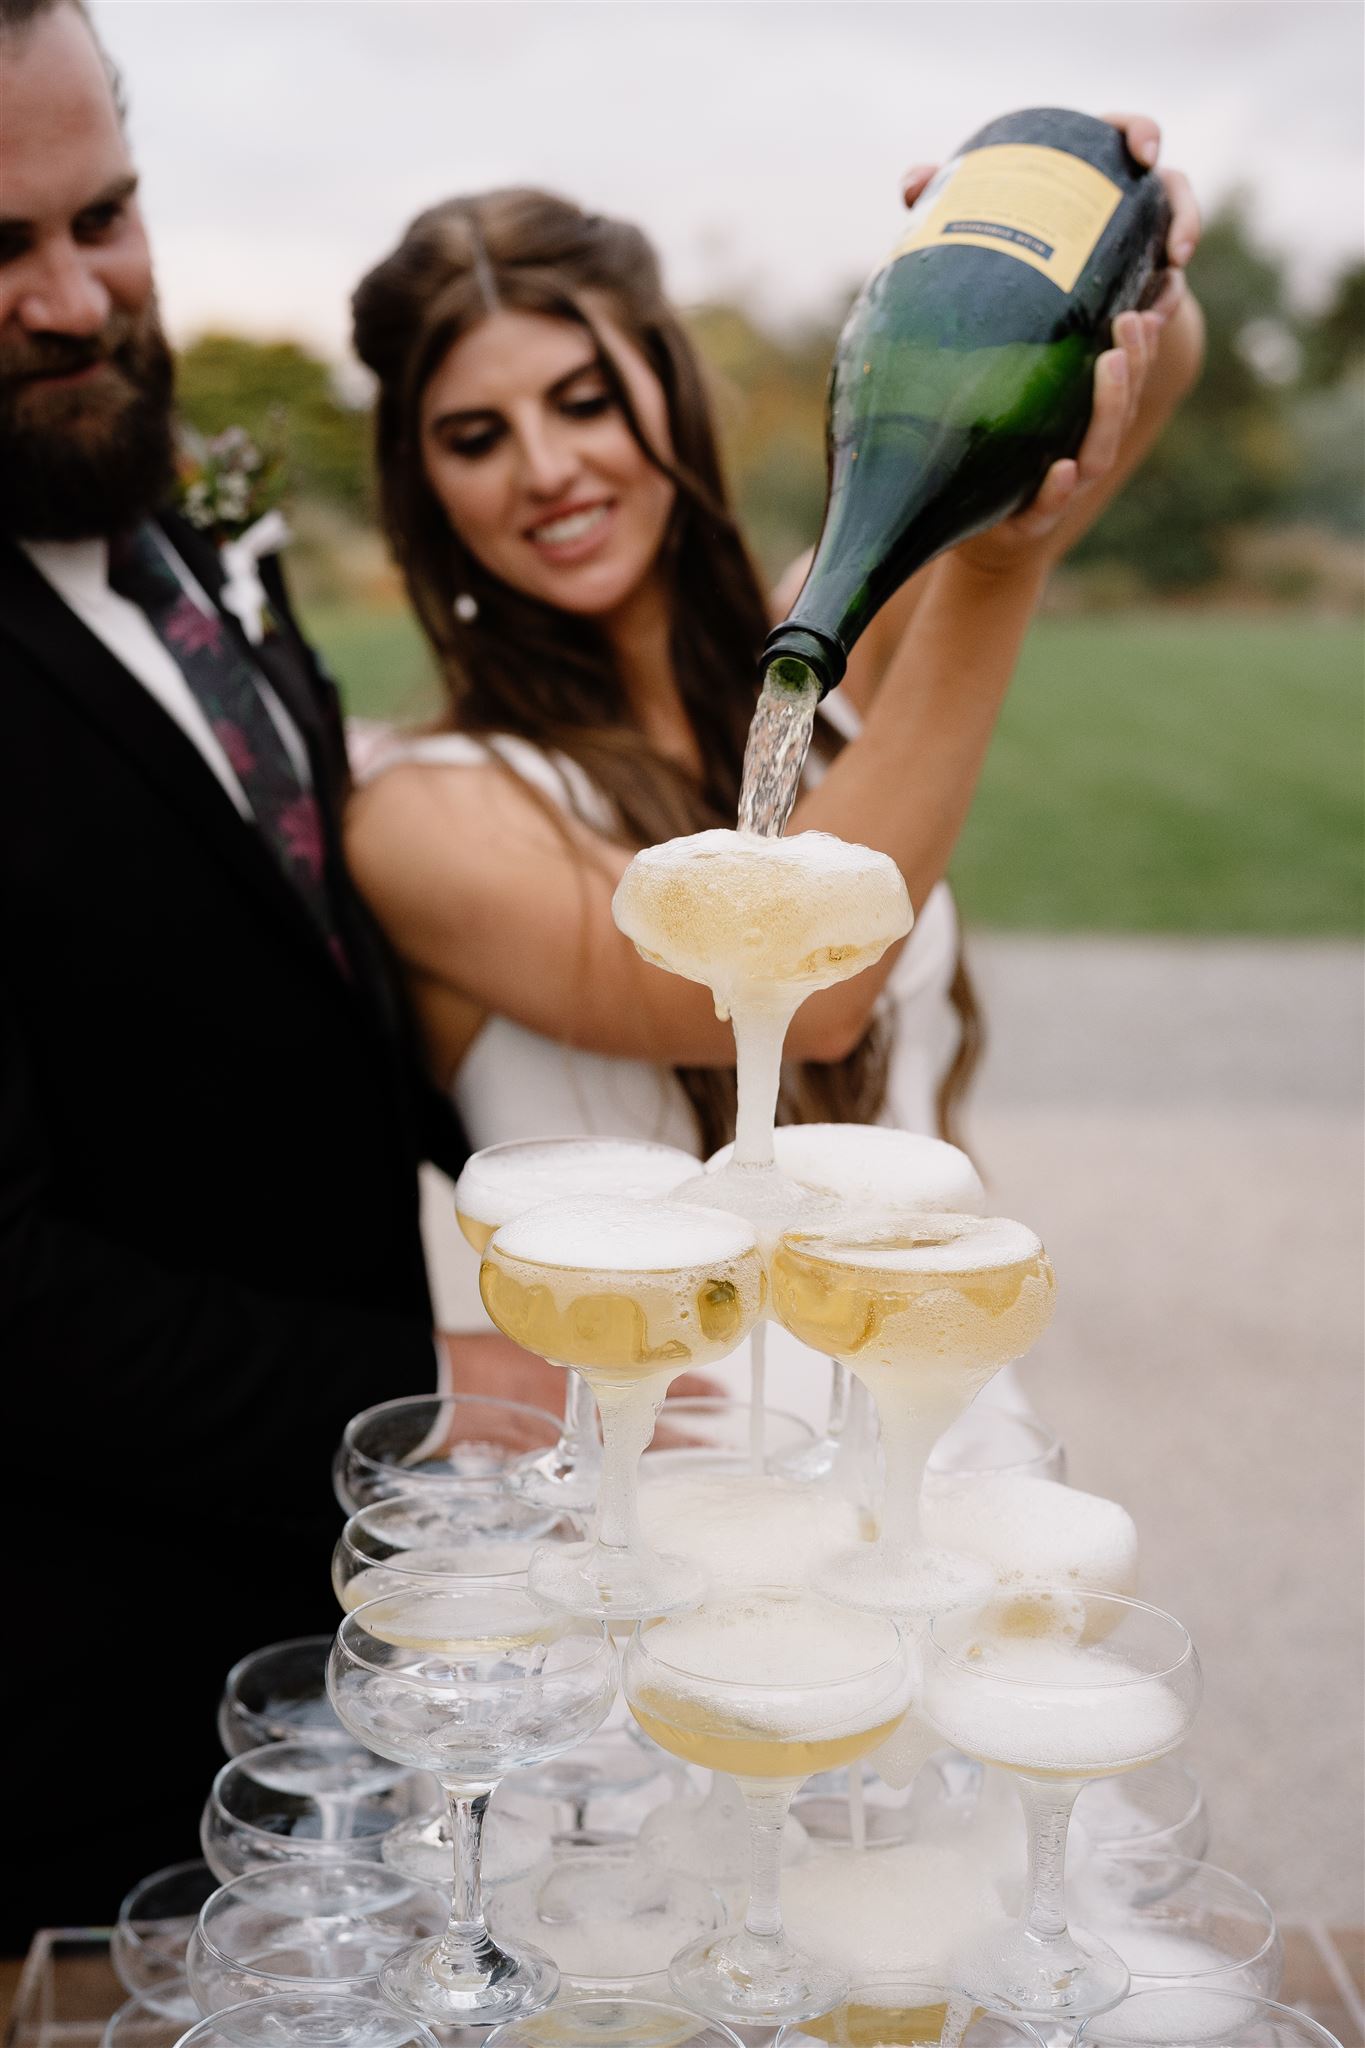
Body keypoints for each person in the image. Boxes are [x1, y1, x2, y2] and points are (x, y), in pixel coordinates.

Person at [0, 0, 540, 1945]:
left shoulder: (181, 533)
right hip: (84, 1736)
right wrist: (422, 1386)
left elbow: (280, 959)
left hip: (335, 1617)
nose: (77, 301)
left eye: (106, 214)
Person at [344, 159, 1203, 1330]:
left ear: (672, 388)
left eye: (586, 400)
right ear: (423, 482)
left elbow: (1156, 363)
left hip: (919, 1420)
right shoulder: (426, 812)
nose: (546, 469)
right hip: (666, 1470)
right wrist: (1002, 570)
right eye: (477, 436)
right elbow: (809, 979)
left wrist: (1097, 207)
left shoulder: (824, 624)